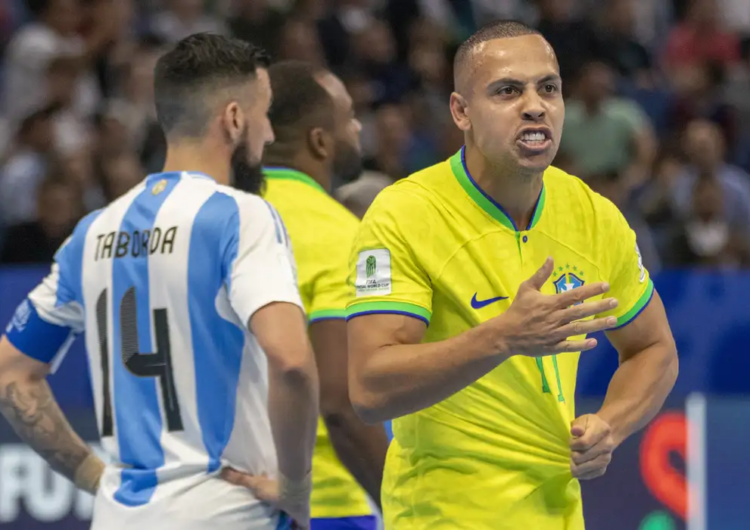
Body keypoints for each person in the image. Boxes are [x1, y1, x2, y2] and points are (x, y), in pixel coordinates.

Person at [345, 20, 679, 530]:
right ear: (461, 112)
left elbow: (654, 349)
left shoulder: (594, 216)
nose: (534, 105)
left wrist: (610, 424)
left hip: (559, 516)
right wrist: (503, 337)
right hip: (442, 516)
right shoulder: (404, 214)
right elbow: (370, 390)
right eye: (507, 91)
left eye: (548, 87)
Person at [0, 33, 319, 530]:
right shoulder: (241, 215)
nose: (270, 135)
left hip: (119, 517)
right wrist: (297, 490)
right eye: (264, 114)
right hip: (227, 512)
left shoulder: (92, 232)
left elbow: (10, 372)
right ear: (234, 119)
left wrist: (91, 476)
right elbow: (293, 361)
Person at [225, 60, 389, 530]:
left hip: (220, 495)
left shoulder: (217, 220)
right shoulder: (349, 236)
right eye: (350, 116)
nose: (358, 127)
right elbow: (341, 405)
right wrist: (405, 507)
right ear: (321, 141)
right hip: (325, 502)